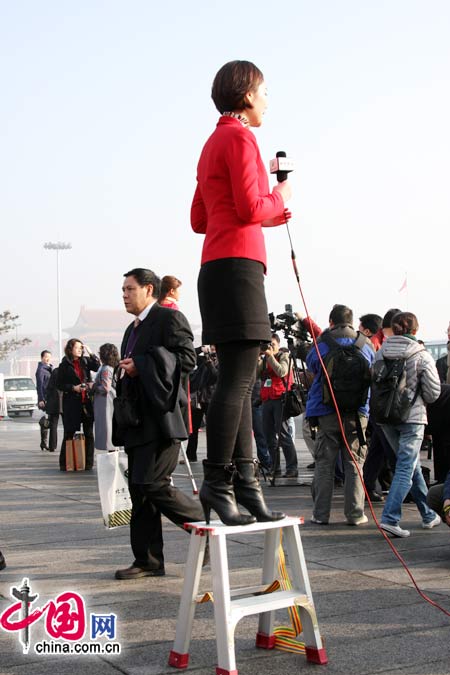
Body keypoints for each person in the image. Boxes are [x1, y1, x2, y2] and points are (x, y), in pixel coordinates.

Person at [191, 59, 292, 525]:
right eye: (265, 92)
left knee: (241, 380)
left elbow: (199, 219)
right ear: (247, 93)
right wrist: (281, 198)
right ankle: (218, 481)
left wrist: (265, 210)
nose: (267, 102)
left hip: (216, 265)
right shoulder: (242, 137)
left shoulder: (212, 143)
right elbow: (254, 205)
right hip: (239, 266)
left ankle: (246, 484)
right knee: (238, 382)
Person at [113, 268, 204, 580]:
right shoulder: (131, 329)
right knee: (139, 490)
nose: (124, 295)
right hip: (137, 421)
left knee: (153, 483)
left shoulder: (168, 319)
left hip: (162, 418)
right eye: (123, 290)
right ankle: (148, 560)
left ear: (148, 289)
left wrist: (144, 363)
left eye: (129, 289)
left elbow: (188, 359)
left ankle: (201, 522)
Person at [306, 304, 375, 526]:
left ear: (331, 322)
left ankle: (321, 514)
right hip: (357, 412)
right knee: (354, 463)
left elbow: (312, 365)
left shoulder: (323, 343)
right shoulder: (366, 344)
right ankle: (355, 514)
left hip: (327, 410)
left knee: (325, 463)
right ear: (352, 321)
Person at [375, 312, 441, 537]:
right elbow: (433, 393)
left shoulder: (380, 352)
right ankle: (390, 518)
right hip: (412, 417)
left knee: (410, 466)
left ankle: (428, 513)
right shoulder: (421, 354)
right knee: (406, 467)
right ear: (415, 329)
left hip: (385, 418)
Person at [257, 334, 298, 477]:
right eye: (268, 345)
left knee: (284, 435)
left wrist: (270, 356)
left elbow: (282, 371)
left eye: (272, 344)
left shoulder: (284, 355)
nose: (270, 347)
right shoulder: (264, 359)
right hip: (267, 400)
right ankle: (275, 467)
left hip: (280, 399)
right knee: (268, 436)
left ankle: (292, 468)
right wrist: (257, 358)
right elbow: (256, 375)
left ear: (278, 344)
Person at [57, 340, 100, 471]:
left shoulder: (85, 361)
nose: (80, 350)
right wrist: (73, 388)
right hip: (71, 402)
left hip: (86, 402)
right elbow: (59, 384)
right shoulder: (64, 365)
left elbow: (97, 366)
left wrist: (90, 352)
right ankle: (65, 463)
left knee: (89, 433)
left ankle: (88, 463)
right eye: (77, 348)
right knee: (69, 433)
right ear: (70, 349)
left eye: (81, 348)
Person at [186, 346, 218, 462]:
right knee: (193, 429)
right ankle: (190, 455)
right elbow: (190, 354)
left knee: (212, 430)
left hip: (211, 399)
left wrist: (209, 362)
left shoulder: (222, 360)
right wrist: (201, 349)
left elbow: (216, 376)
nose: (213, 348)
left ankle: (213, 456)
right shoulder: (203, 359)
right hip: (199, 399)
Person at [93, 343, 120, 452]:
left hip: (106, 402)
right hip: (110, 400)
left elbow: (105, 388)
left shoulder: (105, 369)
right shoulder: (112, 367)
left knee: (107, 425)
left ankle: (111, 449)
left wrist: (93, 386)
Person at [36, 350, 53, 450]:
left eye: (49, 357)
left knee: (48, 420)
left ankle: (43, 442)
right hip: (45, 398)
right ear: (42, 357)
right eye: (46, 357)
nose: (48, 359)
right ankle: (44, 442)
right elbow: (40, 386)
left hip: (50, 397)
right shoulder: (41, 370)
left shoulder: (49, 368)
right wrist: (41, 399)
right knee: (47, 420)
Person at [43, 366, 61, 452]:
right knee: (68, 425)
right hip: (65, 400)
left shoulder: (55, 371)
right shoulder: (68, 371)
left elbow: (49, 388)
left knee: (53, 424)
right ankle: (68, 443)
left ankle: (52, 446)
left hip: (54, 401)